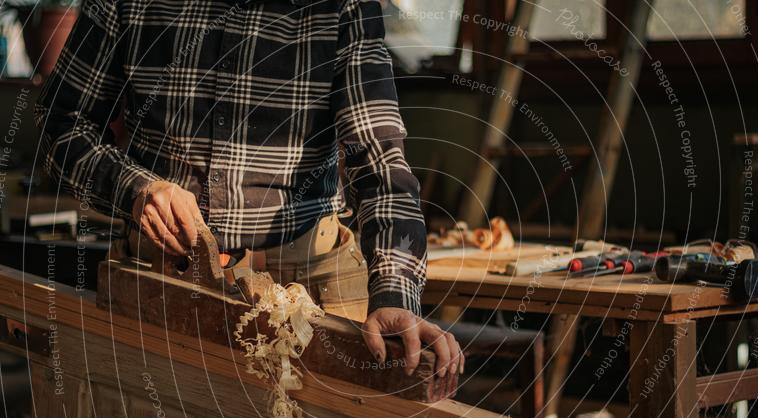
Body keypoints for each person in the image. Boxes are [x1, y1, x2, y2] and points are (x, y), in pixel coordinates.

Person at [35, 0, 462, 378]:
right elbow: (61, 125)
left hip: (308, 287)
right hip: (163, 278)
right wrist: (133, 188)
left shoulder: (343, 7)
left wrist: (394, 292)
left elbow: (380, 165)